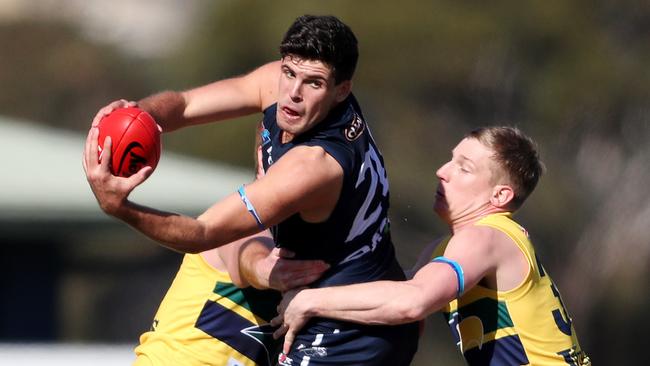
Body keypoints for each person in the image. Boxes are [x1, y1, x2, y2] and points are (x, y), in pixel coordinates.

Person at [83, 14, 419, 366]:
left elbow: (203, 232)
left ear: (342, 91)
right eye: (289, 72)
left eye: (313, 83)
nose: (293, 93)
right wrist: (139, 115)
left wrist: (119, 208)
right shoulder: (283, 88)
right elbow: (184, 105)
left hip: (351, 334)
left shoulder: (311, 166)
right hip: (350, 307)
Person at [272, 126, 591, 366]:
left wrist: (310, 300)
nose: (442, 171)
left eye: (463, 167)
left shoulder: (486, 237)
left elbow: (411, 303)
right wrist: (318, 272)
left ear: (500, 196)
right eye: (450, 160)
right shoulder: (447, 249)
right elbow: (388, 298)